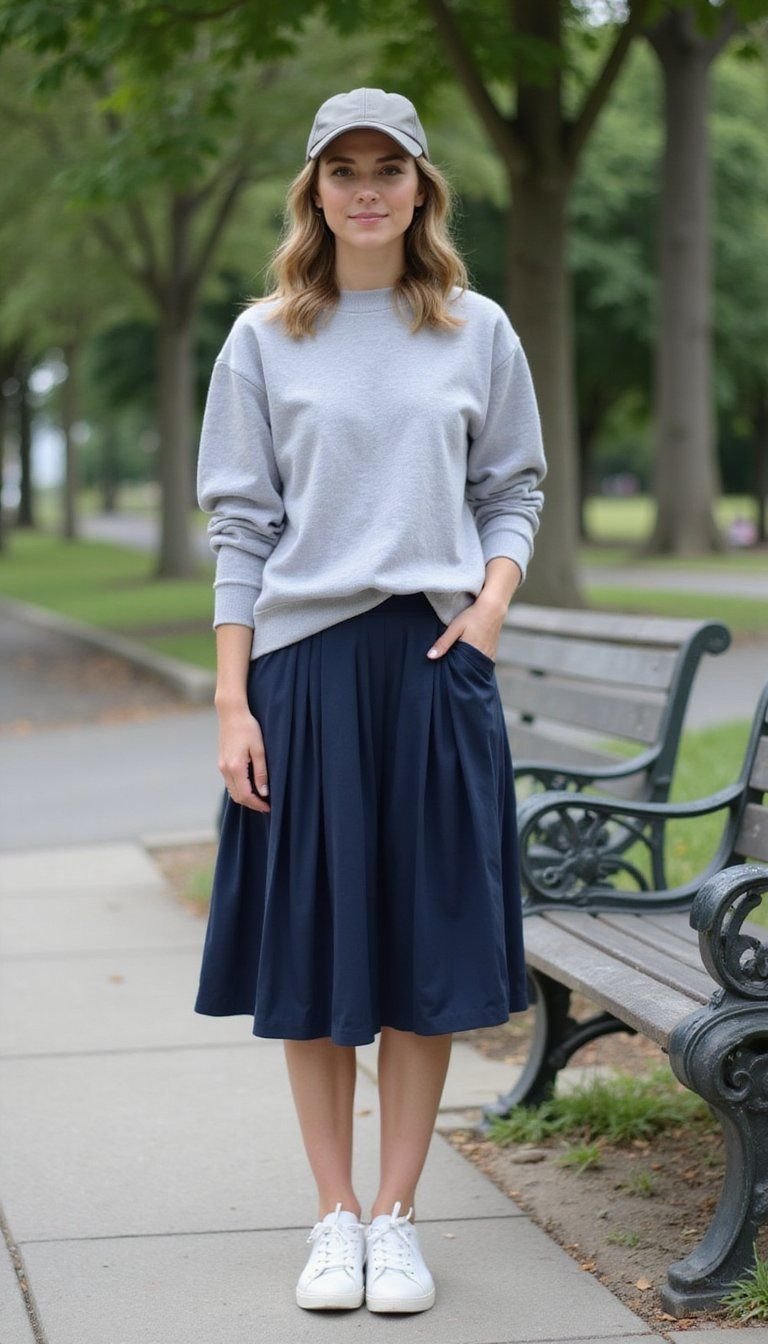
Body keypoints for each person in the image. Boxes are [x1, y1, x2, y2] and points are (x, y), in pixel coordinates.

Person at [193, 86, 546, 1316]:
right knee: (315, 951)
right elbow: (241, 530)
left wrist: (490, 605)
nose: (365, 188)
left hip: (436, 667)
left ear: (420, 186)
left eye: (386, 167)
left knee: (426, 948)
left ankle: (399, 1218)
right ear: (315, 190)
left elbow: (514, 489)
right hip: (304, 676)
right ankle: (331, 1215)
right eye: (342, 168)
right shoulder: (262, 337)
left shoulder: (475, 328)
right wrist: (235, 705)